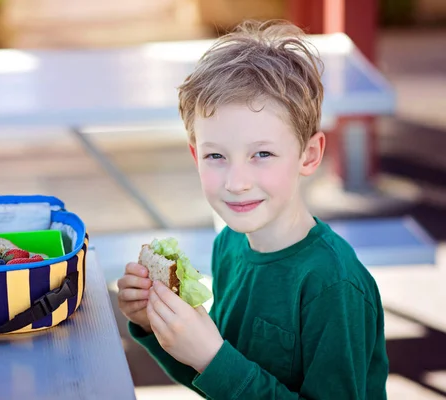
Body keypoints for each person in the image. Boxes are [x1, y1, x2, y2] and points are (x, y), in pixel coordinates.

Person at [117, 19, 389, 399]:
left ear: (308, 156)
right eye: (216, 156)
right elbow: (221, 381)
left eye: (262, 154)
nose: (236, 181)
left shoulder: (333, 285)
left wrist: (213, 357)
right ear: (196, 156)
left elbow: (221, 366)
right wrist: (155, 325)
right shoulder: (229, 244)